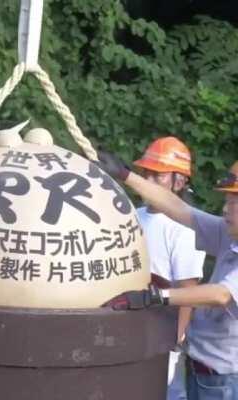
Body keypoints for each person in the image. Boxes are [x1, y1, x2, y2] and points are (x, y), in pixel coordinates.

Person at [95, 149, 238, 400]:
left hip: (224, 380)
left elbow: (221, 294)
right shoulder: (228, 235)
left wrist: (154, 296)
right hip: (201, 368)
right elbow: (177, 207)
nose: (226, 209)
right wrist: (125, 175)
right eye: (227, 200)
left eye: (235, 202)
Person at [133, 137, 205, 400]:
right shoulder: (134, 215)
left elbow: (189, 289)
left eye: (158, 175)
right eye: (146, 173)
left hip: (164, 329)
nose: (149, 181)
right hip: (131, 321)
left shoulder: (185, 228)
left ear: (180, 181)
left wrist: (176, 341)